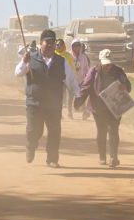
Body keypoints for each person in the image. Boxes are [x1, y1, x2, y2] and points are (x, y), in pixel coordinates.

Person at [15, 29, 80, 168]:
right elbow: (18, 73)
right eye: (47, 42)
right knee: (34, 130)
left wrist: (78, 95)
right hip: (34, 103)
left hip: (54, 105)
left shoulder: (62, 61)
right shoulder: (31, 58)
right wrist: (23, 62)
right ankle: (31, 145)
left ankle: (52, 159)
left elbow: (71, 81)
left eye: (52, 42)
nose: (50, 45)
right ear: (41, 43)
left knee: (54, 132)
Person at [74, 49, 132, 168]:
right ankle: (102, 156)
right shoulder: (94, 71)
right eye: (105, 64)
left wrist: (124, 86)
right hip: (98, 107)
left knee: (113, 130)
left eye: (109, 64)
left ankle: (113, 157)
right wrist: (79, 101)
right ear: (100, 61)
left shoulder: (118, 71)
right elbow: (86, 87)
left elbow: (128, 86)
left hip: (114, 106)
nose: (107, 67)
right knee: (102, 131)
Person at [69, 39, 91, 120]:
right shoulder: (69, 56)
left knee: (81, 97)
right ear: (72, 47)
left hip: (81, 80)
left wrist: (87, 78)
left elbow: (86, 68)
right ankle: (69, 113)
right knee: (71, 97)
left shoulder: (83, 57)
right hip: (71, 80)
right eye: (74, 46)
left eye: (78, 45)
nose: (76, 47)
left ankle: (85, 113)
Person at [55, 39, 77, 119]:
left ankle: (69, 112)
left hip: (68, 79)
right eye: (57, 45)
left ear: (64, 46)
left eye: (60, 44)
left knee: (70, 96)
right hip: (58, 80)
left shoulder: (68, 56)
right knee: (59, 97)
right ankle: (59, 113)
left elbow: (72, 67)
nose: (59, 46)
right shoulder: (53, 55)